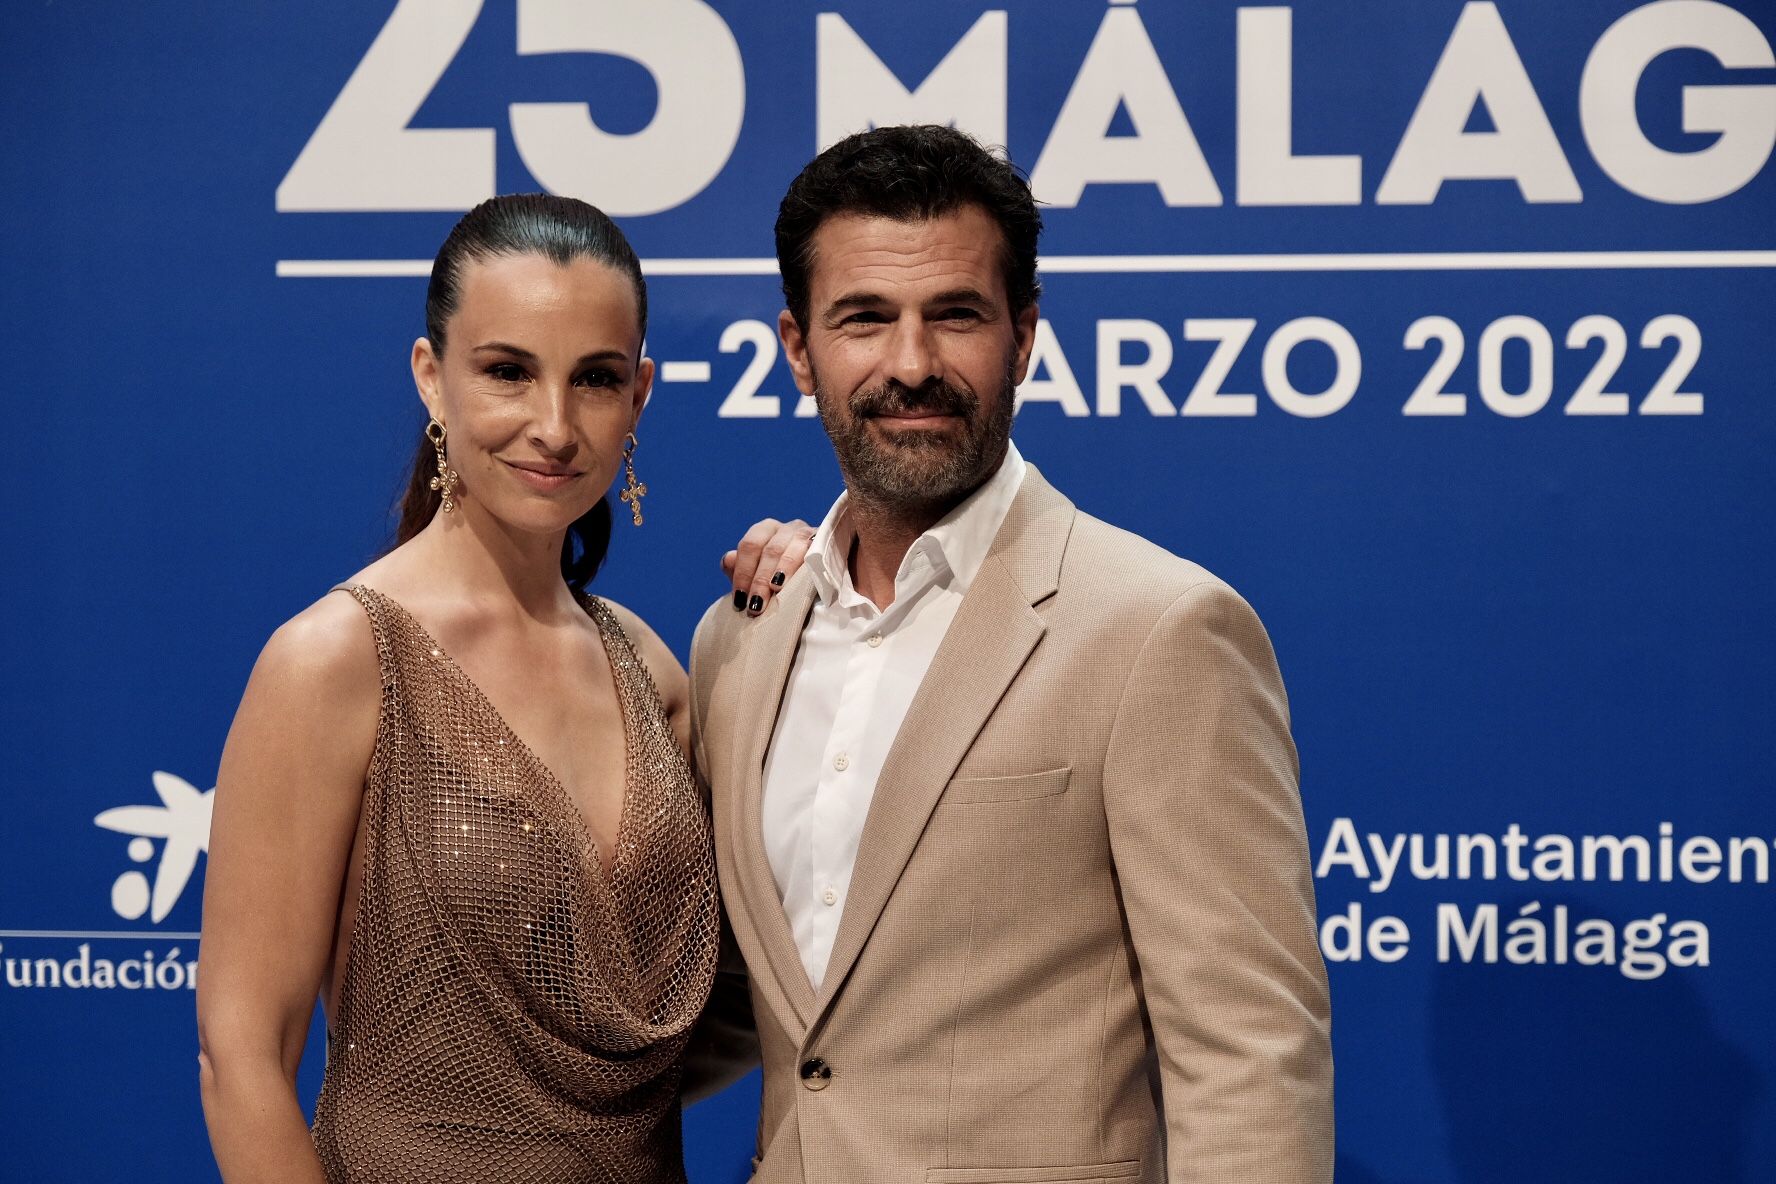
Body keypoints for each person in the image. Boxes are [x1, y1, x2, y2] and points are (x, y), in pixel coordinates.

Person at [689, 126, 1334, 1183]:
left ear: (1023, 337)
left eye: (956, 315)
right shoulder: (741, 638)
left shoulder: (1158, 629)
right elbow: (742, 1002)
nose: (912, 364)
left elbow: (1249, 1060)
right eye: (863, 319)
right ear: (798, 349)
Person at [195, 194, 807, 1184]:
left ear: (640, 395)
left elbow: (742, 995)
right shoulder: (336, 661)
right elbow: (242, 1058)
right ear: (432, 378)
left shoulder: (655, 672)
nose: (555, 426)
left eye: (596, 379)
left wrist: (823, 614)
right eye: (509, 371)